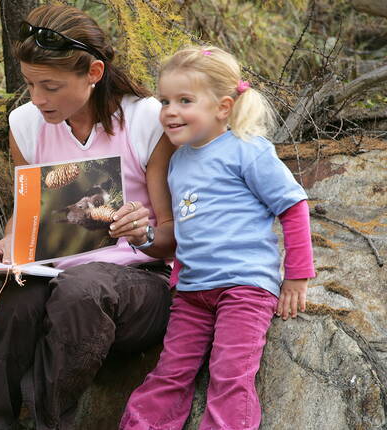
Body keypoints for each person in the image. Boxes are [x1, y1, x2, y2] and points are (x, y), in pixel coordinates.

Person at [0, 4, 178, 430]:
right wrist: (10, 242)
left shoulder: (145, 121)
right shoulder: (26, 125)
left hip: (141, 285)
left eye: (51, 86)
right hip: (57, 277)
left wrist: (141, 232)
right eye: (29, 84)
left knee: (82, 289)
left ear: (94, 73)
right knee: (18, 294)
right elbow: (23, 214)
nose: (38, 98)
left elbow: (172, 239)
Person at [120, 46, 315, 429]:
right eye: (165, 101)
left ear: (223, 107)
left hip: (243, 287)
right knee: (170, 372)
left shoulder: (247, 150)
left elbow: (293, 207)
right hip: (193, 293)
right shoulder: (177, 162)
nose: (170, 111)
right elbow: (186, 230)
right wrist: (162, 260)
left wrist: (297, 275)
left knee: (230, 376)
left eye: (185, 100)